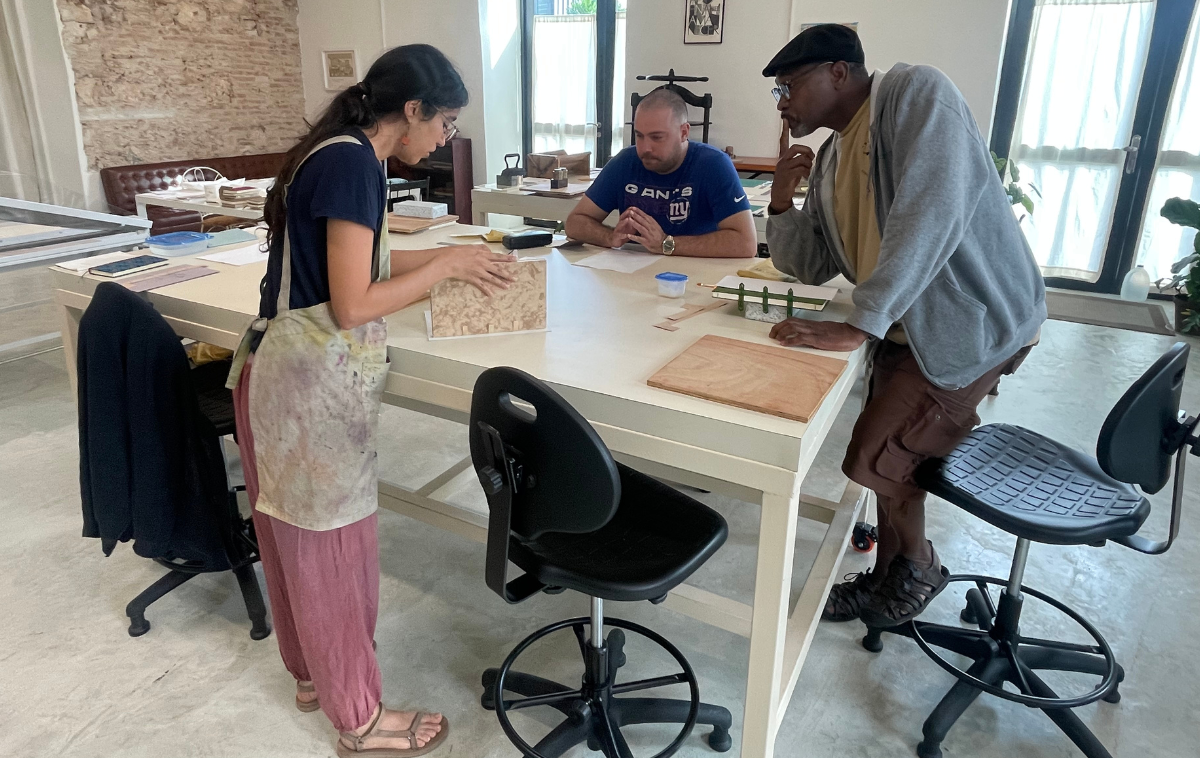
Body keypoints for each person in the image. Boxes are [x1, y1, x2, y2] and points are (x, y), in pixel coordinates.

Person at [226, 44, 515, 757]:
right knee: (331, 552)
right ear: (412, 110)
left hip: (278, 376)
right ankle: (358, 720)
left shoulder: (342, 153)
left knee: (293, 540)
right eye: (445, 122)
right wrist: (444, 266)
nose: (445, 138)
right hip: (306, 388)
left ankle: (313, 677)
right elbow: (352, 304)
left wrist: (453, 259)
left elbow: (362, 262)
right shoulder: (354, 164)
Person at [761, 25, 1046, 629]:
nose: (782, 102)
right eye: (778, 92)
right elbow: (811, 264)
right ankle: (887, 577)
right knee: (893, 458)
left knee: (880, 449)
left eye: (789, 86)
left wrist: (861, 325)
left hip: (970, 320)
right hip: (903, 324)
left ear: (839, 72)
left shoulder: (917, 95)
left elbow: (931, 213)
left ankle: (920, 567)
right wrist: (782, 201)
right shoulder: (833, 156)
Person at [565, 88, 756, 258]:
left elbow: (746, 244)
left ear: (684, 132)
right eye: (639, 136)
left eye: (657, 137)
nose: (645, 148)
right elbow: (575, 223)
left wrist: (666, 244)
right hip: (633, 271)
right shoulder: (625, 162)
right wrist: (609, 237)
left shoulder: (713, 165)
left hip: (695, 272)